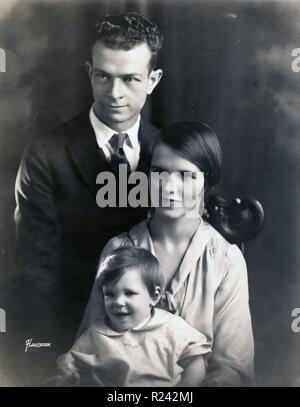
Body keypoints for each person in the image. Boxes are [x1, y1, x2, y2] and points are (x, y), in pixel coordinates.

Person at [14, 12, 163, 351]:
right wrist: (47, 351)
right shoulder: (46, 153)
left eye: (130, 79)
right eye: (103, 76)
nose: (114, 93)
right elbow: (37, 270)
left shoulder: (169, 153)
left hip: (155, 336)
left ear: (153, 80)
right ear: (88, 73)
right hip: (70, 333)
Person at [79, 120, 255, 386]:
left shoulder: (225, 261)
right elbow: (88, 348)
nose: (168, 188)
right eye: (159, 172)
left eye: (185, 175)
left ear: (206, 181)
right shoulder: (118, 250)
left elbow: (234, 367)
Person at [49, 247, 210, 387]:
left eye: (129, 293)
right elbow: (73, 365)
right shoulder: (98, 332)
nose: (118, 302)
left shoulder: (171, 327)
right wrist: (68, 378)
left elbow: (195, 361)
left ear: (154, 296)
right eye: (110, 294)